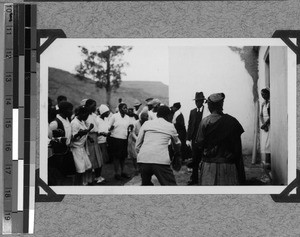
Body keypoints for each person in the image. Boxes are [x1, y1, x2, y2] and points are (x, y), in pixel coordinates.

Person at [195, 93, 246, 185]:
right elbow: (237, 147)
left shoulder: (205, 122)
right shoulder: (232, 122)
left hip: (209, 166)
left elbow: (199, 144)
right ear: (221, 105)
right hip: (228, 167)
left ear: (209, 106)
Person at [136, 105, 181, 186]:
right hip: (160, 161)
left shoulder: (146, 123)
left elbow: (137, 145)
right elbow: (177, 143)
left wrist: (145, 154)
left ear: (157, 115)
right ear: (168, 115)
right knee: (171, 187)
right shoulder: (170, 126)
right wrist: (177, 153)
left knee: (146, 186)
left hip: (143, 159)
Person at [48, 101, 76, 185]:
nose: (71, 112)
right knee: (58, 176)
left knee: (68, 175)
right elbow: (48, 138)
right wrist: (58, 139)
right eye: (70, 110)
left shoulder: (67, 120)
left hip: (66, 152)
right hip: (58, 154)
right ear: (64, 110)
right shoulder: (55, 123)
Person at [186, 92, 206, 185]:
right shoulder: (192, 111)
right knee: (195, 159)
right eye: (196, 101)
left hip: (204, 139)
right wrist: (188, 138)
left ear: (202, 101)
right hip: (194, 139)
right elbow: (190, 125)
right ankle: (194, 179)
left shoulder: (206, 111)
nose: (197, 103)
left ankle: (204, 178)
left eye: (199, 101)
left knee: (204, 159)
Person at [70, 106, 93, 185]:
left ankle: (84, 183)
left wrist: (89, 136)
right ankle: (77, 186)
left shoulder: (82, 121)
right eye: (86, 115)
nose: (87, 117)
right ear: (81, 114)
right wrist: (82, 133)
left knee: (88, 167)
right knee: (80, 170)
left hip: (82, 148)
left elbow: (84, 132)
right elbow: (73, 138)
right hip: (76, 148)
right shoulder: (74, 123)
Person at [108, 102, 131, 180]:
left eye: (126, 108)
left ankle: (122, 172)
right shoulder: (114, 116)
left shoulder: (127, 117)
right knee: (116, 157)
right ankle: (116, 173)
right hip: (115, 138)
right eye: (124, 108)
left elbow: (129, 127)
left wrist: (131, 127)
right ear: (120, 109)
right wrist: (111, 128)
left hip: (124, 138)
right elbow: (108, 127)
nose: (126, 109)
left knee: (123, 157)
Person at [85, 99, 105, 184]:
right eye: (93, 105)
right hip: (88, 139)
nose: (95, 107)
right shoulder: (85, 115)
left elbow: (96, 128)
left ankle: (98, 177)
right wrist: (89, 136)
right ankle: (88, 179)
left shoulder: (94, 115)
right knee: (90, 159)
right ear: (88, 106)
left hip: (96, 137)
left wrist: (101, 133)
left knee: (98, 158)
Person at [260, 88, 271, 181]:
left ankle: (269, 164)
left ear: (268, 94)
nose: (263, 96)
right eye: (262, 94)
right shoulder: (263, 103)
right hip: (265, 126)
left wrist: (266, 124)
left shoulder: (270, 103)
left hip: (270, 126)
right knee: (264, 145)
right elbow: (260, 115)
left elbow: (271, 116)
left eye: (264, 94)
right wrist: (263, 124)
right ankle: (266, 165)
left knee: (269, 144)